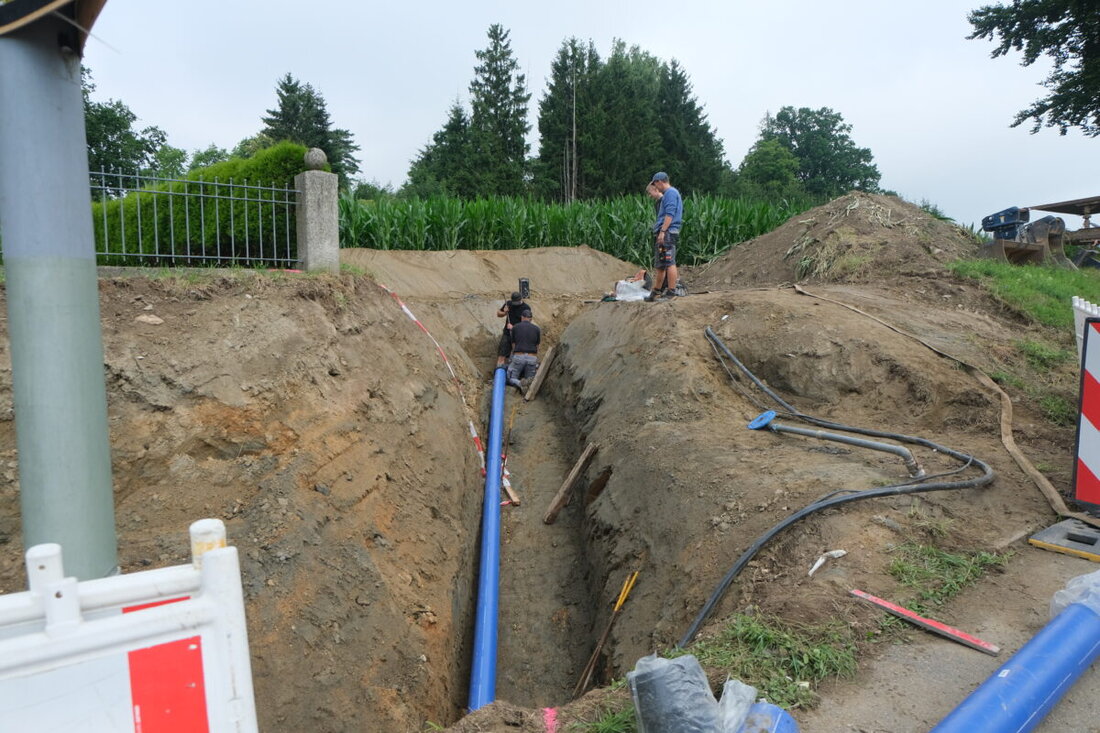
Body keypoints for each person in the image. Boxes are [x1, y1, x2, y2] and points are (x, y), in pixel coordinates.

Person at [643, 171, 683, 301]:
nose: (656, 187)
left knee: (669, 262)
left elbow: (669, 214)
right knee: (661, 263)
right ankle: (657, 291)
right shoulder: (669, 194)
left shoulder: (670, 193)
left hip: (668, 233)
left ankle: (671, 291)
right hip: (666, 232)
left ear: (660, 181)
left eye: (655, 184)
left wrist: (663, 231)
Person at [506, 307, 540, 392]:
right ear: (531, 319)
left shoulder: (516, 327)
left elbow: (513, 345)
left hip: (519, 356)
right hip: (532, 358)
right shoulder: (537, 329)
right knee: (530, 380)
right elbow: (537, 346)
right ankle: (526, 385)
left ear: (522, 317)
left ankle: (520, 383)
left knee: (510, 378)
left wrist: (512, 357)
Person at [496, 291, 527, 368]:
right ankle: (500, 373)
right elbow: (499, 314)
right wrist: (505, 312)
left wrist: (514, 327)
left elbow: (527, 323)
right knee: (502, 355)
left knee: (517, 357)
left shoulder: (525, 308)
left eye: (516, 302)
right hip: (507, 334)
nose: (515, 304)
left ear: (521, 299)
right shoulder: (509, 304)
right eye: (514, 302)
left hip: (519, 335)